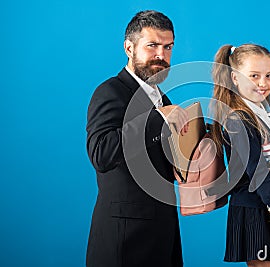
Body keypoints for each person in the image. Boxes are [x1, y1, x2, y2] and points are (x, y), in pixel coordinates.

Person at [85, 10, 188, 267]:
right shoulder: (110, 91)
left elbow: (154, 156)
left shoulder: (162, 98)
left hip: (163, 233)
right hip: (126, 239)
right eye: (152, 45)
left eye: (168, 47)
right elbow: (102, 153)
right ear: (129, 48)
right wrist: (157, 119)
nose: (161, 56)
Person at [210, 44, 270, 267]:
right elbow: (257, 170)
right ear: (234, 78)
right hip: (254, 209)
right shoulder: (236, 120)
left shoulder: (269, 118)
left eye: (269, 75)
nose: (263, 83)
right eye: (254, 76)